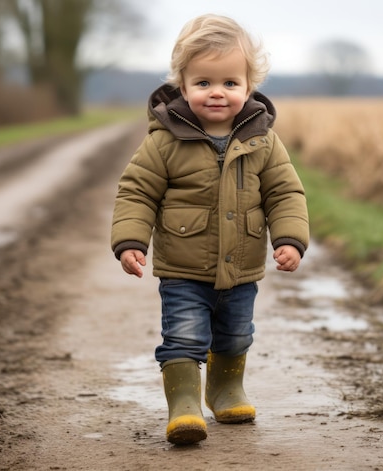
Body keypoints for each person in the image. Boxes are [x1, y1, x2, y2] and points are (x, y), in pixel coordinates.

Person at [111, 13, 309, 445]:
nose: (216, 92)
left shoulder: (263, 140)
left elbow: (285, 193)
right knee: (182, 334)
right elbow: (137, 192)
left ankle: (225, 389)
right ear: (182, 86)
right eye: (203, 83)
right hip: (183, 267)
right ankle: (183, 405)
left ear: (248, 86)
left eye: (229, 83)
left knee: (237, 333)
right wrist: (130, 241)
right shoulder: (164, 141)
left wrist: (291, 239)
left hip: (242, 267)